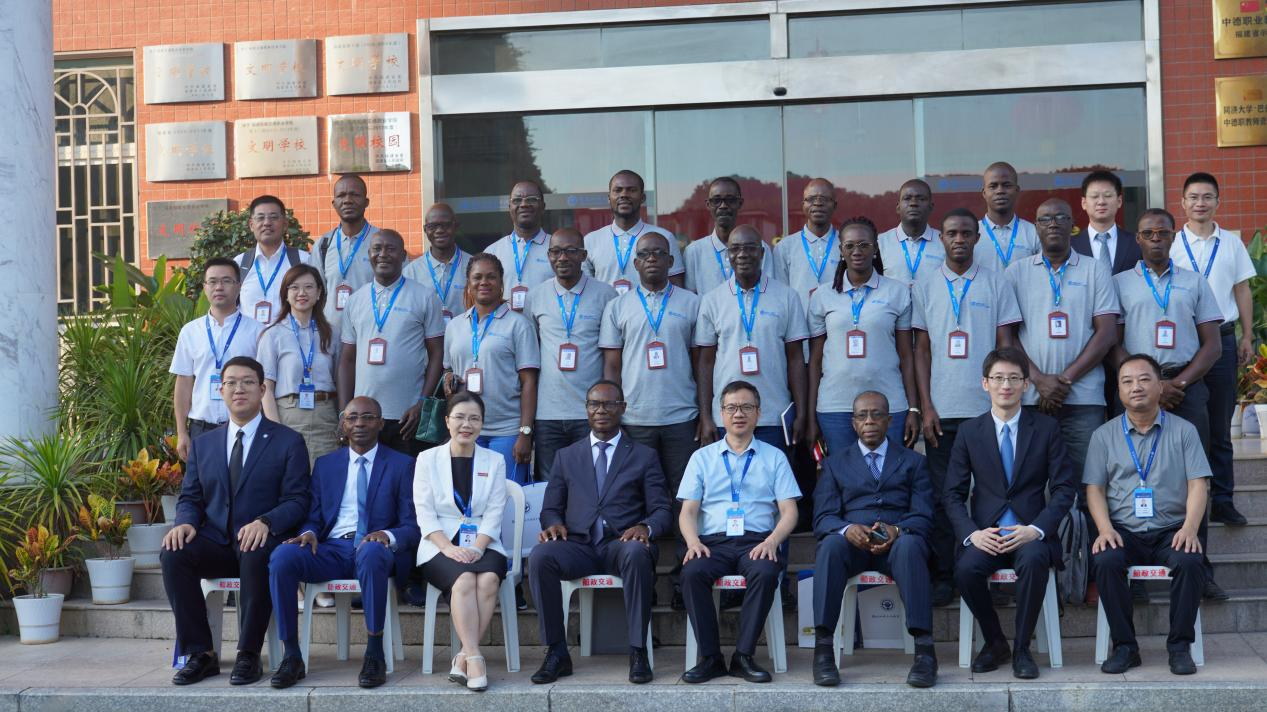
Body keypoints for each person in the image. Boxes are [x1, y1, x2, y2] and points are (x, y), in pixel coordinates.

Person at [160, 356, 310, 686]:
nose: (238, 389)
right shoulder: (204, 444)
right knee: (173, 552)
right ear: (221, 391)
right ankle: (201, 653)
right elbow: (191, 497)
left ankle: (248, 654)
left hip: (260, 541)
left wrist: (266, 521)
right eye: (230, 383)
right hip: (215, 541)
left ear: (262, 389)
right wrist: (185, 522)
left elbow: (298, 500)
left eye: (247, 382)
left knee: (256, 551)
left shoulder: (288, 441)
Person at [267, 396, 420, 689]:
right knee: (282, 558)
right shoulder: (326, 465)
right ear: (343, 424)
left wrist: (386, 536)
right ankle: (292, 655)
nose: (359, 423)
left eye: (368, 417)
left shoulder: (402, 465)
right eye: (352, 417)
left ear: (381, 423)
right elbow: (313, 517)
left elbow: (412, 526)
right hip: (332, 549)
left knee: (372, 552)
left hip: (375, 551)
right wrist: (309, 532)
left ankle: (374, 653)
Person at [527, 380, 672, 685]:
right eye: (594, 404)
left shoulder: (643, 455)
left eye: (608, 404)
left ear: (623, 408)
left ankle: (638, 651)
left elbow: (662, 509)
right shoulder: (567, 456)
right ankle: (556, 652)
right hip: (578, 546)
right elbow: (550, 508)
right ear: (586, 409)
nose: (601, 410)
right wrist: (553, 524)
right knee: (541, 556)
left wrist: (645, 527)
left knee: (637, 552)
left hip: (621, 544)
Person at [943, 348, 1075, 680]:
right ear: (985, 383)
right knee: (966, 569)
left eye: (1014, 378)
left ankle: (1022, 649)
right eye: (998, 378)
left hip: (1029, 533)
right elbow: (952, 494)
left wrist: (1037, 529)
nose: (1006, 385)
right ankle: (995, 641)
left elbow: (1064, 489)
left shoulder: (1045, 428)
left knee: (1034, 560)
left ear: (1026, 385)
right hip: (986, 534)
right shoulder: (969, 432)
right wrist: (972, 534)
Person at [912, 209, 1020, 606]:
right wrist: (926, 406)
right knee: (946, 496)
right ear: (940, 238)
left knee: (994, 495)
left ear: (977, 238)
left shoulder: (996, 281)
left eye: (966, 233)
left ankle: (992, 570)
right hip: (942, 411)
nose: (959, 239)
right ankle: (946, 573)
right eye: (952, 233)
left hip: (986, 411)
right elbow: (921, 350)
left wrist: (1003, 402)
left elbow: (1005, 345)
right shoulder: (924, 284)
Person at [1086, 354, 1210, 676]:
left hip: (1171, 529)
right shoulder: (1103, 436)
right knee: (1105, 560)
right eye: (1127, 381)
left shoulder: (1184, 431)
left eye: (1144, 379)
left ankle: (1179, 647)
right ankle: (1125, 648)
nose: (1136, 387)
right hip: (1123, 530)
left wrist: (1190, 528)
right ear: (1118, 390)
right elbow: (1094, 489)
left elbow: (1198, 484)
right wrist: (1104, 529)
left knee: (1189, 560)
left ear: (1160, 386)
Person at [600, 231, 703, 609]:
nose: (653, 259)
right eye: (645, 254)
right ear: (636, 263)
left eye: (660, 253)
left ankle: (682, 579)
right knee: (637, 499)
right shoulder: (618, 306)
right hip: (635, 419)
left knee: (683, 499)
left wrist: (705, 413)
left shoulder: (692, 303)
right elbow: (611, 366)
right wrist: (614, 416)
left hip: (681, 416)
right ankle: (641, 576)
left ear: (671, 260)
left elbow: (701, 363)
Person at [809, 391, 937, 688]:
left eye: (877, 414)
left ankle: (925, 653)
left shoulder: (913, 462)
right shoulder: (834, 464)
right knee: (830, 545)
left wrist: (898, 530)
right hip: (852, 548)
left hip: (896, 547)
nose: (869, 421)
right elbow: (823, 518)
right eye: (862, 415)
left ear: (889, 421)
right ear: (853, 423)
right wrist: (846, 529)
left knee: (910, 545)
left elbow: (924, 515)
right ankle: (824, 650)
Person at [678, 381, 802, 684]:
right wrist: (692, 542)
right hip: (712, 543)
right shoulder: (702, 458)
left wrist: (772, 541)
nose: (739, 414)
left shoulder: (774, 457)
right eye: (732, 407)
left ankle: (743, 657)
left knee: (766, 571)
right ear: (721, 414)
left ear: (758, 413)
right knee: (692, 572)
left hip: (757, 541)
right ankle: (711, 658)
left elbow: (789, 512)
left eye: (747, 407)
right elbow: (688, 511)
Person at [1006, 198, 1119, 477]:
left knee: (1088, 480)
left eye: (1060, 217)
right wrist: (1039, 380)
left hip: (1084, 399)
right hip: (1031, 398)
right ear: (1036, 227)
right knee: (1030, 482)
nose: (1053, 224)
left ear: (1073, 225)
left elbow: (1107, 333)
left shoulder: (1095, 269)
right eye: (1045, 219)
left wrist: (1064, 380)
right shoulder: (1016, 272)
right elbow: (1007, 337)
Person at [1170, 172, 1256, 529]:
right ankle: (1183, 503)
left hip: (1221, 339)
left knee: (1220, 424)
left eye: (1207, 197)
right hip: (1183, 341)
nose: (1200, 203)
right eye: (1193, 197)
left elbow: (1242, 291)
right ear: (1183, 203)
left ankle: (1222, 501)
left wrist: (1247, 335)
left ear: (1218, 202)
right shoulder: (1172, 243)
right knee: (1186, 424)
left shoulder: (1232, 244)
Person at [413, 391, 510, 692]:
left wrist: (478, 547)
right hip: (438, 543)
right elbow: (424, 512)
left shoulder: (495, 460)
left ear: (482, 424)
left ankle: (464, 656)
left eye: (474, 419)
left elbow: (495, 512)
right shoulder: (427, 459)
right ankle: (476, 659)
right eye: (459, 417)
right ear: (446, 421)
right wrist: (448, 548)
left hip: (483, 540)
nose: (466, 425)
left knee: (489, 579)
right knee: (465, 578)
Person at [807, 217, 918, 455]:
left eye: (864, 245)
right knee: (843, 472)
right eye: (849, 246)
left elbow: (907, 356)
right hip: (835, 405)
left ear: (875, 248)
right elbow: (814, 361)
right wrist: (810, 412)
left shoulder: (897, 292)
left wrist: (913, 408)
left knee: (889, 472)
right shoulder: (822, 296)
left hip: (889, 403)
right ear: (841, 250)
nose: (856, 251)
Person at [1112, 209, 1222, 446]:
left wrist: (1178, 383)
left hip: (1185, 388)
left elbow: (1213, 345)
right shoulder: (1119, 283)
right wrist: (1147, 383)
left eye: (1163, 233)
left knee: (1192, 459)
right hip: (1136, 389)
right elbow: (1112, 344)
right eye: (1148, 233)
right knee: (1136, 458)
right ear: (1138, 238)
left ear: (1173, 237)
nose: (1156, 238)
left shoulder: (1195, 281)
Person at [696, 225, 808, 454]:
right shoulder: (712, 300)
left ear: (762, 253)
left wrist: (802, 412)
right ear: (728, 255)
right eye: (735, 249)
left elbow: (796, 359)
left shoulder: (787, 296)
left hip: (773, 416)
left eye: (750, 248)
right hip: (727, 416)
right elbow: (705, 363)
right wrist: (706, 416)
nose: (742, 254)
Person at [338, 229, 446, 457]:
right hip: (365, 418)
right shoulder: (355, 300)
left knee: (407, 477)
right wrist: (344, 412)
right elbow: (347, 360)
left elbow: (437, 354)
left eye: (391, 249)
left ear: (404, 256)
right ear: (369, 254)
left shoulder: (425, 297)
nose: (383, 254)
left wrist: (422, 403)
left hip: (407, 416)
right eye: (377, 249)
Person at [527, 228, 618, 480]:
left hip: (590, 412)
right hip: (547, 413)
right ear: (548, 256)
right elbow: (530, 356)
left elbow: (611, 357)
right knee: (550, 485)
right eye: (556, 251)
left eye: (570, 251)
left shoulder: (606, 295)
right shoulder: (535, 297)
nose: (562, 257)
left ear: (583, 256)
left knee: (591, 482)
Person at [443, 253, 541, 484]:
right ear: (469, 283)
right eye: (477, 277)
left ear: (501, 282)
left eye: (491, 277)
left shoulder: (519, 324)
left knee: (506, 495)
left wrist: (525, 433)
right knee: (468, 494)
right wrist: (447, 377)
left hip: (506, 430)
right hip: (466, 428)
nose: (484, 282)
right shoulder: (455, 326)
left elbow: (529, 382)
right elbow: (448, 369)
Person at [171, 257, 265, 461]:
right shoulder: (190, 331)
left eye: (226, 281)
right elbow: (184, 383)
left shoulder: (257, 331)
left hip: (246, 430)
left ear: (238, 286)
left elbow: (264, 384)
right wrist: (181, 432)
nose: (219, 287)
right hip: (201, 430)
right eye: (212, 281)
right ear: (205, 287)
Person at [259, 264, 339, 467]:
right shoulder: (273, 334)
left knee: (325, 476)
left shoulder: (332, 333)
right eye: (294, 287)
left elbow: (341, 380)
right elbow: (266, 389)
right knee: (291, 477)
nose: (301, 293)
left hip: (325, 416)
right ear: (285, 294)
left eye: (309, 287)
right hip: (288, 416)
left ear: (319, 293)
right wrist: (275, 430)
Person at [583, 169, 685, 292]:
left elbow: (676, 288)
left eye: (631, 190)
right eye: (618, 190)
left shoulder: (664, 237)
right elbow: (586, 290)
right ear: (609, 198)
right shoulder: (591, 240)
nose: (624, 195)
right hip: (606, 305)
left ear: (642, 198)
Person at [683, 177, 775, 297]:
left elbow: (769, 292)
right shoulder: (694, 252)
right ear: (708, 205)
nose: (723, 206)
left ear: (740, 203)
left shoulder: (758, 248)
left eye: (730, 200)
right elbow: (690, 299)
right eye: (716, 200)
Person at [234, 195, 312, 325]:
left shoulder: (303, 261)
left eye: (274, 217)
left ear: (285, 224)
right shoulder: (239, 264)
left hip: (290, 337)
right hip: (250, 338)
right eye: (260, 218)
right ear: (251, 225)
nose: (267, 223)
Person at [772, 179, 843, 317]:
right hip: (799, 324)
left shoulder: (846, 244)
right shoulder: (785, 247)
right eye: (811, 199)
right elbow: (780, 294)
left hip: (837, 323)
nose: (818, 203)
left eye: (824, 199)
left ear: (835, 205)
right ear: (803, 205)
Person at [315, 174, 377, 324]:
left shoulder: (381, 242)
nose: (348, 200)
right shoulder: (323, 244)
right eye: (341, 195)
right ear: (334, 203)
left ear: (366, 202)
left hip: (371, 330)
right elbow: (314, 293)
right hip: (331, 333)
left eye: (355, 195)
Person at [485, 180, 553, 311]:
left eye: (531, 199)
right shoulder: (492, 252)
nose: (524, 204)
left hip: (544, 323)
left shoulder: (558, 250)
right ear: (509, 207)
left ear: (543, 206)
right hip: (504, 323)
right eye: (517, 200)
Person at [403, 202, 471, 324]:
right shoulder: (411, 272)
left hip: (467, 335)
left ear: (456, 227)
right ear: (425, 230)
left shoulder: (473, 267)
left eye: (446, 225)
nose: (439, 230)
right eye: (432, 226)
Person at [878, 179, 944, 288]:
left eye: (921, 199)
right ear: (898, 207)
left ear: (931, 207)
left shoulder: (944, 242)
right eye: (907, 198)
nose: (913, 203)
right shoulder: (881, 243)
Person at [1072, 170, 1140, 276]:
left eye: (1108, 196)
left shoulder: (1137, 243)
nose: (1101, 202)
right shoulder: (1070, 246)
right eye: (1094, 196)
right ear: (1084, 203)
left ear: (1119, 201)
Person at [977, 162, 1040, 273]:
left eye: (1007, 185)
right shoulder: (971, 234)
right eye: (993, 186)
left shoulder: (1033, 233)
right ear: (984, 193)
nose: (1000, 191)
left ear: (1017, 190)